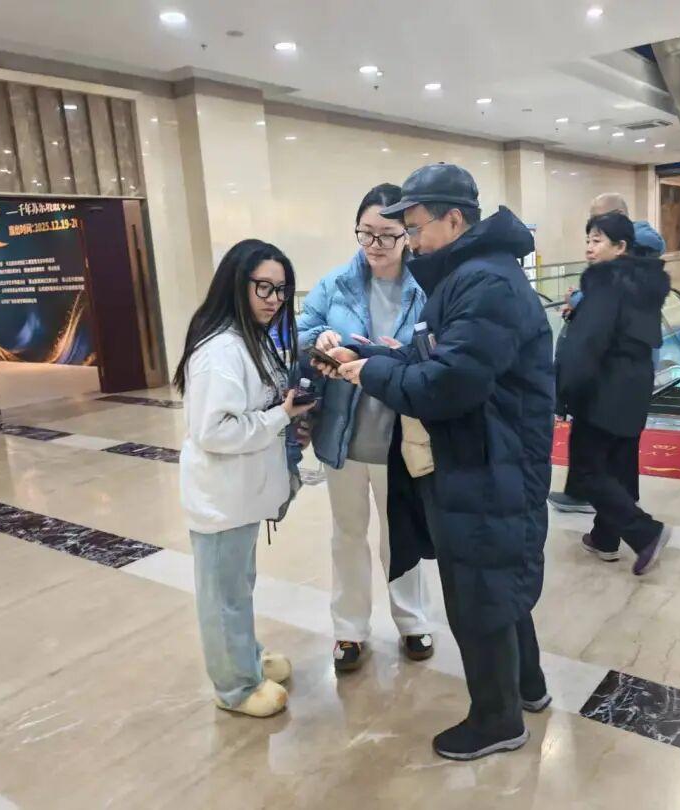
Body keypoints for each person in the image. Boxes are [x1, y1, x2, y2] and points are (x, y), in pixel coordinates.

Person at [315, 163, 554, 761]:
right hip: (481, 455)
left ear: (454, 219)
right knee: (496, 581)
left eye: (416, 227)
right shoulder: (469, 276)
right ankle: (527, 687)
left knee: (480, 593)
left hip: (490, 458)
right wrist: (369, 353)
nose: (411, 241)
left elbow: (449, 384)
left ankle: (498, 720)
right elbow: (433, 357)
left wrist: (370, 373)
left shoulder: (485, 283)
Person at [174, 239, 315, 718]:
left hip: (242, 495)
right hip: (221, 499)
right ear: (238, 284)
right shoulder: (221, 350)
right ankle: (234, 686)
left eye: (281, 289)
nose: (274, 299)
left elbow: (260, 406)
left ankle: (246, 658)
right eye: (264, 288)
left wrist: (288, 416)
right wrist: (280, 417)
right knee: (224, 597)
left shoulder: (249, 338)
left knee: (237, 587)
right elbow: (214, 431)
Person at [297, 183, 433, 673]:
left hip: (402, 438)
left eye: (388, 235)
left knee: (402, 535)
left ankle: (412, 621)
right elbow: (301, 331)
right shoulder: (335, 284)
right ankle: (349, 629)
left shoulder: (425, 286)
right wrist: (320, 338)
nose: (375, 244)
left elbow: (438, 350)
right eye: (366, 233)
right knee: (347, 535)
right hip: (344, 434)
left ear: (407, 234)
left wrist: (396, 356)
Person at [556, 213, 673, 573]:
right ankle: (604, 538)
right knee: (618, 467)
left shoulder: (605, 285)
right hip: (634, 386)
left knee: (587, 470)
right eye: (588, 240)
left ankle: (645, 533)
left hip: (602, 389)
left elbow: (587, 344)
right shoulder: (643, 284)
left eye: (597, 240)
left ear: (621, 246)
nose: (589, 248)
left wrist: (563, 391)